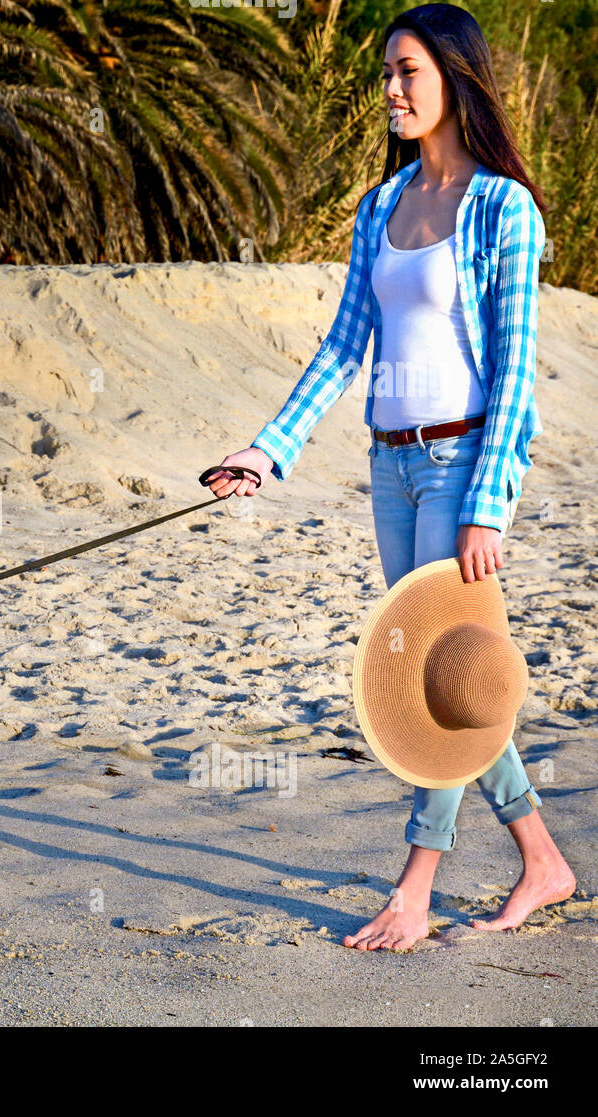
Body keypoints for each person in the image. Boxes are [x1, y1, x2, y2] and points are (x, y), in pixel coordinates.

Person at [208, 3, 575, 951]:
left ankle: (416, 886)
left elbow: (515, 371)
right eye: (384, 74)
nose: (392, 91)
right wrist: (266, 450)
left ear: (456, 77)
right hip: (389, 466)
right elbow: (342, 348)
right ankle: (542, 856)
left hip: (461, 466)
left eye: (408, 71)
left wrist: (489, 504)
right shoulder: (382, 206)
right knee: (443, 677)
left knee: (427, 687)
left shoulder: (503, 208)